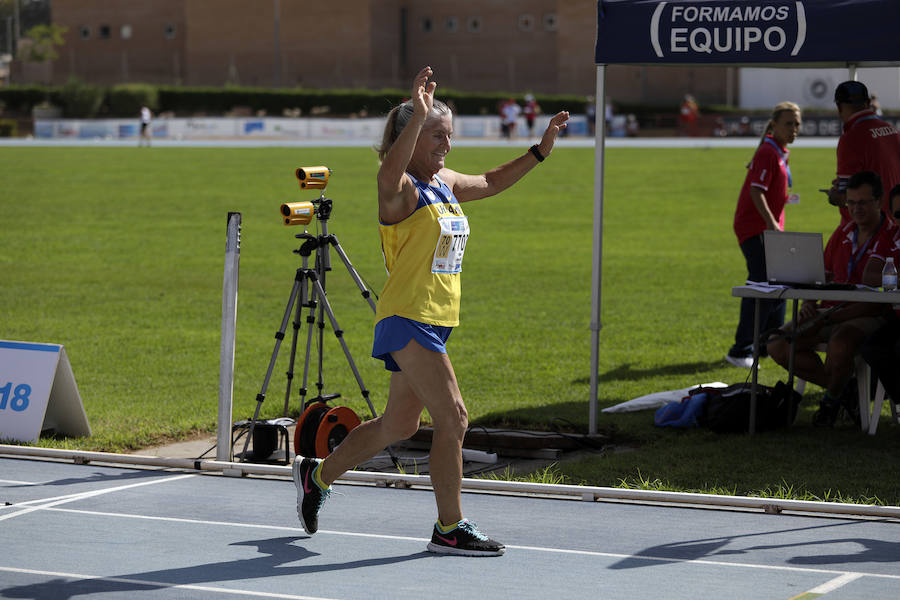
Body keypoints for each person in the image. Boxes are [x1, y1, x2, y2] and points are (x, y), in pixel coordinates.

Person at [292, 66, 569, 557]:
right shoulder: (401, 191)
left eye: (450, 136)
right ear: (412, 135)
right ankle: (450, 527)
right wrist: (419, 115)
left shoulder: (442, 181)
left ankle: (317, 475)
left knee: (398, 426)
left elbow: (487, 181)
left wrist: (539, 151)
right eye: (437, 134)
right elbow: (385, 175)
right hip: (407, 316)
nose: (447, 144)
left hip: (437, 319)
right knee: (455, 418)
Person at [767, 171, 897, 427]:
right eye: (850, 203)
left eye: (863, 203)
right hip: (829, 313)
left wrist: (831, 315)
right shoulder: (843, 232)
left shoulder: (891, 236)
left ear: (879, 202)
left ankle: (832, 399)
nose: (856, 209)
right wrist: (807, 304)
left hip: (868, 316)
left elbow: (879, 302)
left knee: (840, 343)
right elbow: (820, 276)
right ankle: (841, 390)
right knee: (776, 344)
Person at [725, 102, 802, 369]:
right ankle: (741, 349)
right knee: (761, 285)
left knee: (778, 283)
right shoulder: (769, 152)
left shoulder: (779, 151)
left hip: (767, 228)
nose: (794, 129)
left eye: (797, 124)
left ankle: (767, 342)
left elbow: (768, 190)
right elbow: (756, 192)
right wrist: (771, 223)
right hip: (755, 228)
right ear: (773, 125)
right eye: (788, 123)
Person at [826, 81, 900, 223]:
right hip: (894, 225)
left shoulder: (851, 137)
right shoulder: (892, 129)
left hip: (870, 229)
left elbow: (845, 198)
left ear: (839, 107)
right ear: (867, 103)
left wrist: (834, 195)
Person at [860, 184, 900, 408]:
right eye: (898, 214)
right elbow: (870, 276)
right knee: (872, 348)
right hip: (896, 317)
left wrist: (892, 279)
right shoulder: (890, 236)